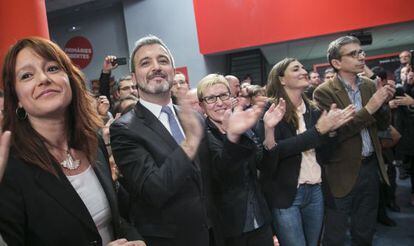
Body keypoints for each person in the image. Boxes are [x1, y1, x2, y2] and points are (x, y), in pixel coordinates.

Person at [0, 37, 145, 246]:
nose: (43, 78)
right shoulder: (11, 168)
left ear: (70, 80)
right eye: (27, 75)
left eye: (52, 68)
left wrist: (136, 241)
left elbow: (115, 220)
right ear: (18, 99)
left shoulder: (91, 141)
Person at [110, 35, 223, 246]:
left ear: (172, 70)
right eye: (146, 63)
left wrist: (233, 137)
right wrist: (189, 144)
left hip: (212, 233)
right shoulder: (124, 129)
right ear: (134, 78)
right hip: (170, 239)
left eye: (163, 61)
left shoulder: (192, 116)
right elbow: (154, 190)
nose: (156, 67)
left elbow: (214, 172)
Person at [260, 58, 354, 246]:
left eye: (303, 67)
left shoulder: (314, 110)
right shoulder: (269, 109)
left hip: (316, 189)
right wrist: (318, 131)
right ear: (282, 79)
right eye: (296, 69)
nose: (303, 71)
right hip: (286, 194)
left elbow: (325, 155)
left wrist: (332, 131)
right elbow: (276, 152)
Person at [314, 36, 395, 245]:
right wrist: (370, 108)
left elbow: (383, 124)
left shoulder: (369, 85)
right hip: (341, 172)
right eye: (353, 54)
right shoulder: (324, 92)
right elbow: (337, 134)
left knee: (365, 231)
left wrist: (383, 103)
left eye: (361, 52)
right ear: (336, 63)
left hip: (370, 167)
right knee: (335, 234)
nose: (361, 57)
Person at [197, 74, 284, 246]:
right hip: (230, 227)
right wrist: (233, 136)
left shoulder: (244, 127)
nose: (220, 103)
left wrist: (269, 130)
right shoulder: (200, 136)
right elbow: (223, 174)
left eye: (223, 95)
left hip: (260, 218)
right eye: (211, 98)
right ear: (202, 105)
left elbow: (266, 167)